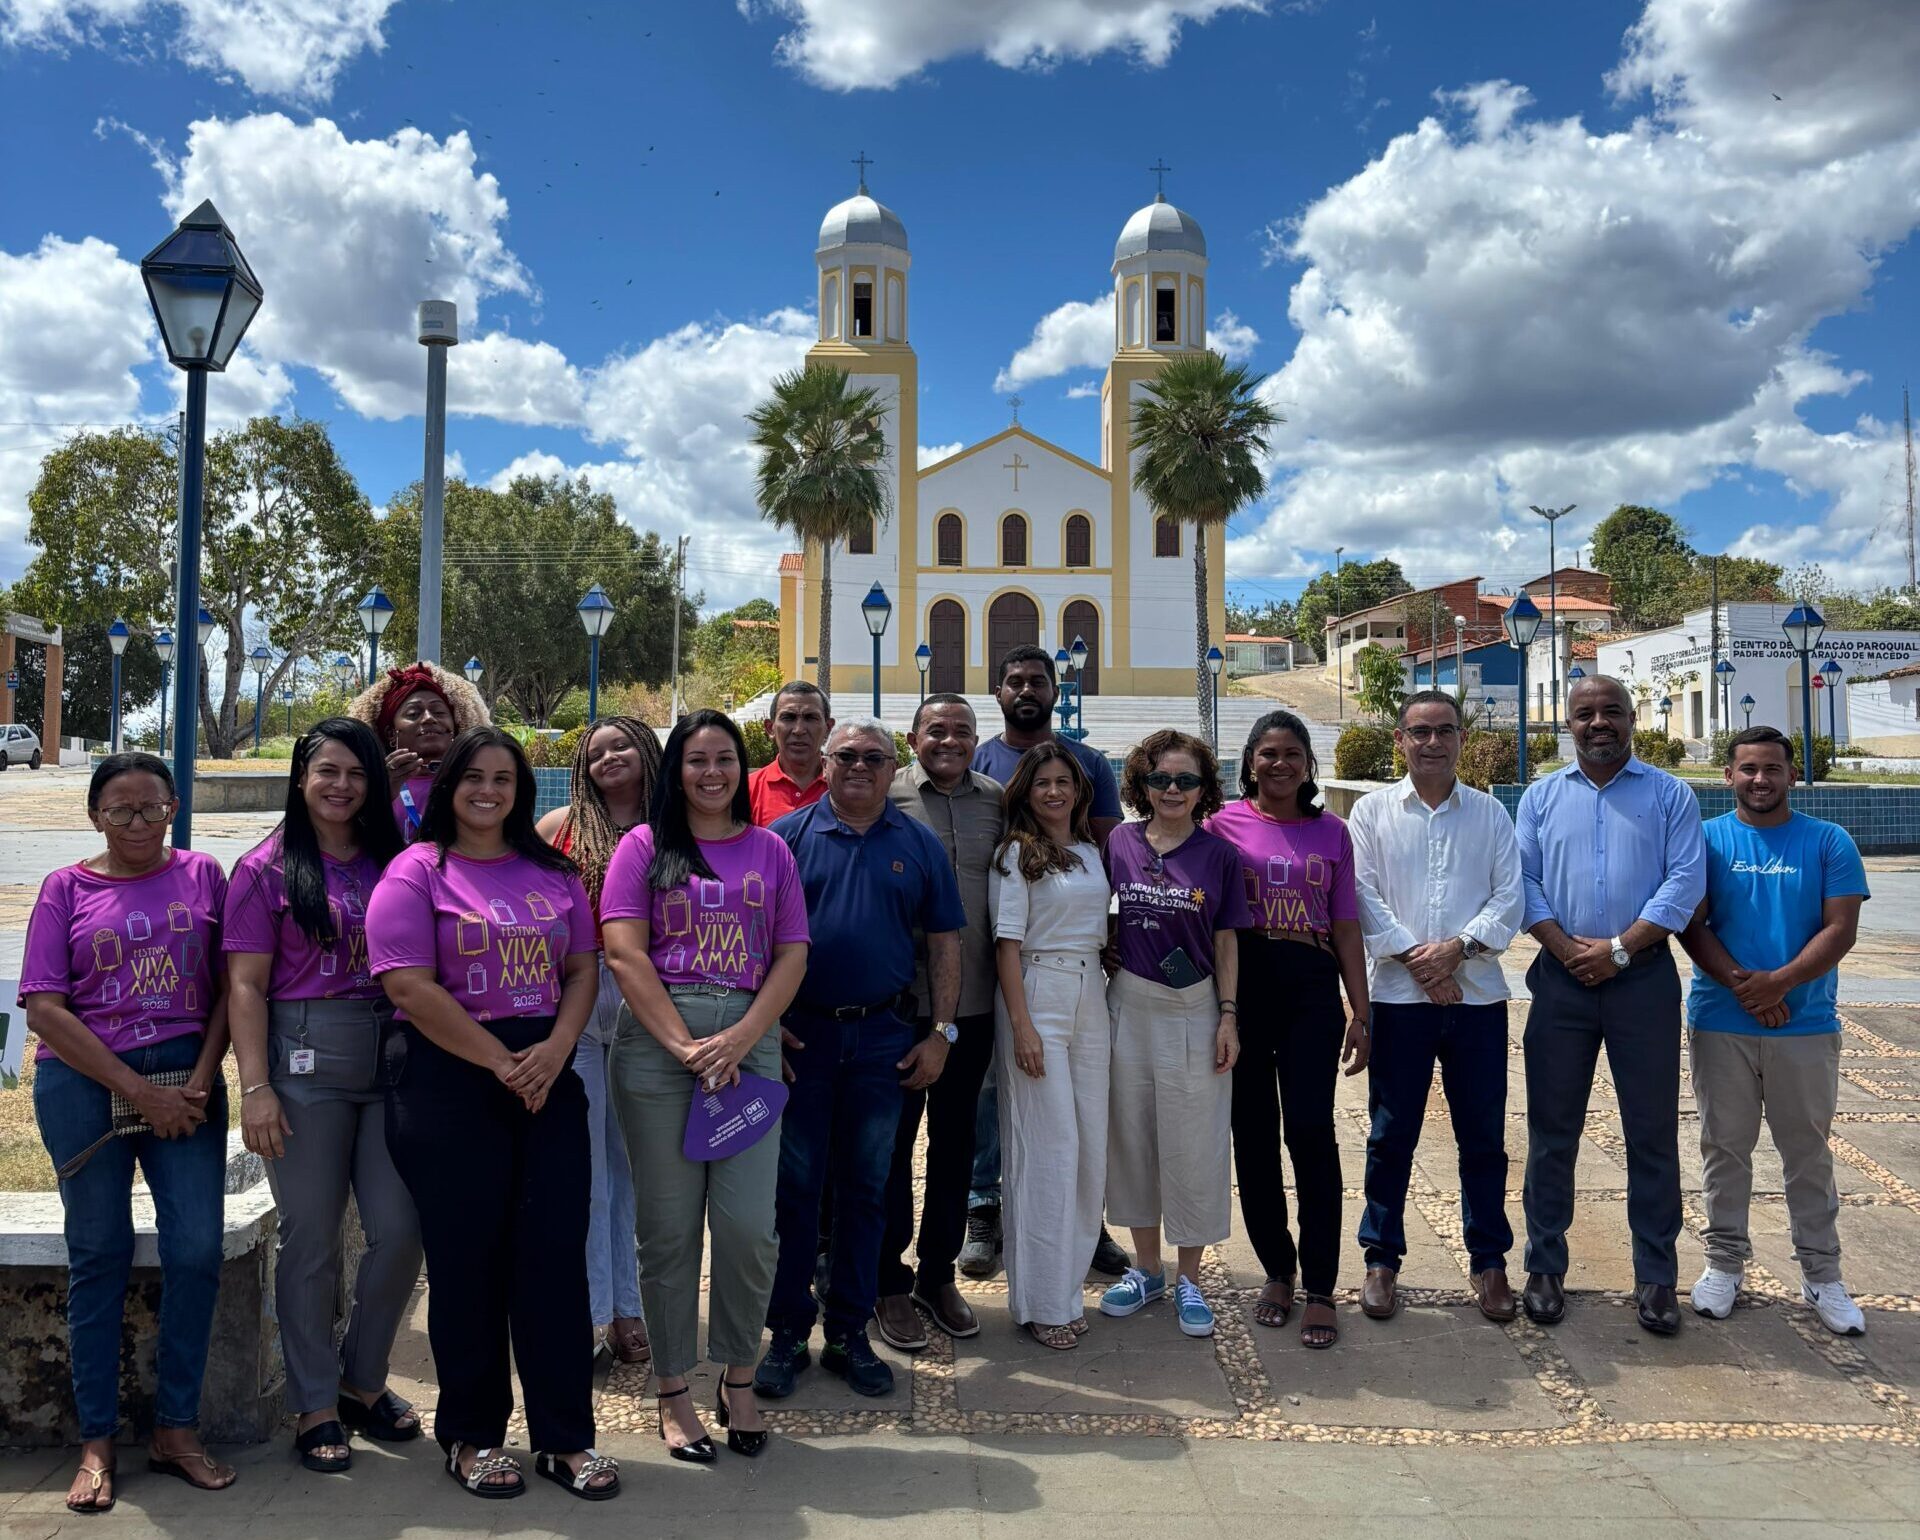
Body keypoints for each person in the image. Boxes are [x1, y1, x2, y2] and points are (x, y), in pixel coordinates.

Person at [367, 726, 618, 1502]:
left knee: (553, 1261)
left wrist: (556, 1050)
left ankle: (565, 1439)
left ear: (520, 790)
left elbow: (581, 969)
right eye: (473, 776)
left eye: (503, 778)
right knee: (467, 1264)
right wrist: (501, 1062)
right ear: (450, 786)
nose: (488, 790)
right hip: (448, 1079)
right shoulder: (417, 871)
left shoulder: (553, 872)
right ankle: (471, 1436)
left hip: (547, 1074)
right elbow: (407, 985)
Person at [23, 753, 236, 1511]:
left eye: (153, 807)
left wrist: (201, 1080)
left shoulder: (205, 876)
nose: (139, 822)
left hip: (188, 1079)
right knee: (98, 1251)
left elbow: (232, 988)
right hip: (84, 1081)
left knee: (197, 1249)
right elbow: (44, 1008)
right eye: (121, 809)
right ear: (95, 816)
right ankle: (97, 1440)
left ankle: (176, 1429)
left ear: (174, 808)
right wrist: (140, 1092)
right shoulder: (64, 889)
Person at [602, 709, 809, 1460]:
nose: (712, 772)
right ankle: (671, 1390)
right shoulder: (643, 847)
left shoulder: (769, 850)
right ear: (676, 771)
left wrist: (744, 1038)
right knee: (669, 1231)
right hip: (661, 1052)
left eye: (725, 758)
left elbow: (792, 952)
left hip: (746, 1047)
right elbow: (624, 953)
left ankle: (738, 1376)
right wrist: (687, 1048)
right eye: (696, 760)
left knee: (751, 1228)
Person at [226, 719, 420, 1474]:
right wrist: (255, 1089)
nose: (341, 787)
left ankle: (361, 1380)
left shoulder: (395, 860)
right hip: (305, 1060)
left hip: (393, 1053)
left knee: (400, 1230)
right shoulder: (265, 869)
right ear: (301, 777)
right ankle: (313, 1402)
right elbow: (245, 985)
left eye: (357, 774)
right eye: (327, 772)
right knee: (311, 1239)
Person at [755, 719, 965, 1400]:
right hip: (803, 1039)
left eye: (875, 758)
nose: (859, 767)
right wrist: (765, 1029)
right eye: (846, 755)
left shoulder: (919, 843)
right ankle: (788, 1333)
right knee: (794, 1193)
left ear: (891, 766)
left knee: (867, 1190)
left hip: (883, 1039)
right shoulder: (785, 840)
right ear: (825, 761)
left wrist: (941, 1033)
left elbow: (945, 942)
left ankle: (848, 1332)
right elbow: (755, 940)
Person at [1517, 674, 1705, 1336]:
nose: (1599, 723)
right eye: (1585, 713)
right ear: (1567, 723)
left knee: (1651, 1132)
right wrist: (1568, 950)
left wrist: (1620, 950)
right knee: (1552, 1132)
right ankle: (1544, 1266)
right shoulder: (1540, 797)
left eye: (1612, 712)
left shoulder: (1670, 795)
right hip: (1561, 981)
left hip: (1643, 982)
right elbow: (1525, 883)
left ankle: (1656, 1276)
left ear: (1632, 718)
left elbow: (1685, 881)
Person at [1678, 726, 1869, 1336]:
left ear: (1791, 775)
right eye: (1748, 769)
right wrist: (1746, 988)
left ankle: (1822, 1273)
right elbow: (1690, 923)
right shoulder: (1705, 840)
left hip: (1805, 1025)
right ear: (1728, 776)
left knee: (1806, 1154)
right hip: (1721, 1022)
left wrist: (1779, 984)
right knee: (1724, 1148)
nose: (1760, 779)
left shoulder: (1828, 841)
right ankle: (1724, 1264)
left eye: (1772, 769)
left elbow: (1840, 930)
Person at [1348, 692, 1524, 1326]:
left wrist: (1457, 951)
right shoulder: (1370, 813)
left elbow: (1510, 898)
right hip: (1399, 1001)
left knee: (1482, 1137)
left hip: (1477, 1001)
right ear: (1399, 739)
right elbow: (1362, 895)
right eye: (1419, 732)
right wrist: (1421, 964)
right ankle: (1381, 1258)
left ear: (1460, 739)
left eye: (1444, 731)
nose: (1431, 742)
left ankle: (1489, 1260)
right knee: (1391, 1134)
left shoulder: (1490, 814)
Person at [965, 644, 1129, 1282]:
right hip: (996, 949)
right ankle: (985, 1208)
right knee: (992, 1093)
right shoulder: (978, 761)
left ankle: (1086, 1224)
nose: (1027, 689)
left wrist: (1107, 932)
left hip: (1069, 959)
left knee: (1077, 1109)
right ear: (998, 691)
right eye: (1015, 681)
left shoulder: (1089, 762)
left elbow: (1110, 858)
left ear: (1056, 690)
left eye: (1038, 680)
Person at [1207, 711, 1370, 1349]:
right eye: (1268, 753)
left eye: (1292, 753)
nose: (1280, 764)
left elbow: (1347, 924)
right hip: (1242, 985)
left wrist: (1361, 1010)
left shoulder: (1332, 832)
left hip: (1310, 984)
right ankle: (1278, 1270)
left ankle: (1322, 1284)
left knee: (1309, 1130)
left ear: (1308, 763)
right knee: (1252, 1134)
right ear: (1250, 761)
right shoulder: (1221, 824)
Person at [1099, 728, 1251, 1339]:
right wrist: (1104, 949)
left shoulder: (1219, 855)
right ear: (1142, 782)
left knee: (1195, 1143)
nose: (1172, 789)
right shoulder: (1120, 842)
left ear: (1203, 788)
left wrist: (1228, 1015)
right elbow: (1095, 910)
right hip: (1129, 1003)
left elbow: (1226, 939)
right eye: (1160, 778)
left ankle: (1190, 1277)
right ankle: (1147, 1268)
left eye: (1185, 780)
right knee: (1132, 1137)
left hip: (1194, 1007)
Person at [874, 693, 1005, 1350]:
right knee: (891, 1149)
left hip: (971, 1006)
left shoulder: (996, 800)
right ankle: (888, 1282)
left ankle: (936, 1274)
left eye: (962, 731)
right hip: (897, 1005)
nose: (949, 741)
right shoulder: (886, 793)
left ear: (976, 740)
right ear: (912, 737)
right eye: (936, 730)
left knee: (955, 1147)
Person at [536, 716, 660, 1366]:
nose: (609, 757)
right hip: (577, 995)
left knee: (634, 1163)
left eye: (622, 745)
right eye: (595, 752)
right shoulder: (557, 829)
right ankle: (589, 1309)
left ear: (647, 751)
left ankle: (630, 1307)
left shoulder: (675, 827)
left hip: (647, 998)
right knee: (586, 1166)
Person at [989, 743, 1112, 1349]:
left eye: (1064, 781)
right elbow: (1006, 945)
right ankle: (1041, 1300)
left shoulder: (1090, 850)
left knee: (1089, 1147)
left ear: (1079, 790)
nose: (1055, 792)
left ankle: (1067, 1287)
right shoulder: (1015, 854)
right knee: (1048, 1147)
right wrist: (1022, 1026)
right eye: (1043, 783)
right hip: (1038, 992)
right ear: (1026, 791)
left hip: (1093, 993)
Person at [347, 661, 489, 843]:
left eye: (439, 712)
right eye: (413, 714)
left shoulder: (477, 782)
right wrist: (380, 793)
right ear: (391, 733)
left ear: (455, 727)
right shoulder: (368, 784)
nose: (429, 718)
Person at [748, 681, 834, 826]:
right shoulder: (747, 790)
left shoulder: (844, 787)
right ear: (770, 728)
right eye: (788, 718)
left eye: (810, 718)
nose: (799, 730)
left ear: (828, 728)